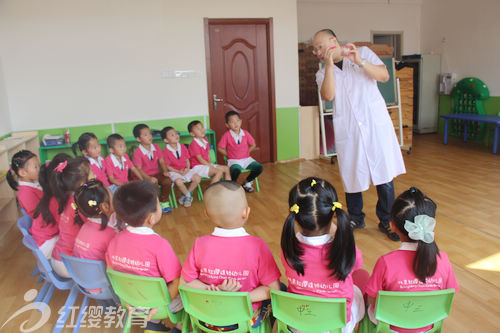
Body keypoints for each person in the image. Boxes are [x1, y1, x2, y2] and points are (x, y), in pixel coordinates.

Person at [312, 29, 406, 240]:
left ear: (333, 41)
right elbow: (328, 95)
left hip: (374, 125)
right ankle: (356, 217)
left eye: (319, 46)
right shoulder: (322, 72)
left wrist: (360, 61)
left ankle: (387, 220)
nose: (317, 51)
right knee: (352, 172)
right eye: (314, 49)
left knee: (383, 174)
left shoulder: (362, 52)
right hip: (349, 128)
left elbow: (384, 76)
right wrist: (328, 65)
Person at [181, 181, 281, 329]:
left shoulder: (200, 243)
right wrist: (235, 297)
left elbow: (184, 283)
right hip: (244, 321)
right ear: (246, 212)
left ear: (207, 214)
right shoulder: (258, 246)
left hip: (207, 318)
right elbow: (273, 290)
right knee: (281, 289)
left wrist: (217, 292)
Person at [365, 187, 460, 333]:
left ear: (392, 225)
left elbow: (373, 300)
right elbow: (449, 294)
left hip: (391, 327)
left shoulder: (386, 262)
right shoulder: (443, 259)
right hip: (428, 325)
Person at [280, 177, 366, 333]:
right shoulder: (345, 247)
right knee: (361, 283)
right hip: (337, 324)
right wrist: (335, 230)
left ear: (292, 213)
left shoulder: (288, 246)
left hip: (298, 323)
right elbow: (356, 264)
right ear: (334, 214)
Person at [106, 180, 183, 333]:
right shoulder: (160, 245)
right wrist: (160, 304)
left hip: (131, 301)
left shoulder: (115, 240)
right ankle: (179, 327)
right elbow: (176, 280)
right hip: (159, 306)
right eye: (158, 204)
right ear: (151, 218)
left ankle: (153, 325)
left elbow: (111, 271)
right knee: (188, 290)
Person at [50, 157, 93, 277]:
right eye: (92, 172)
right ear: (81, 183)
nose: (95, 175)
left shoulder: (65, 198)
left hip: (57, 258)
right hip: (70, 265)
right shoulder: (81, 203)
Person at [31, 153, 72, 258]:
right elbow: (68, 227)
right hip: (47, 246)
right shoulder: (58, 200)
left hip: (42, 242)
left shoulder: (52, 193)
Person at [217, 111, 263, 193]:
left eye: (237, 121)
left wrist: (246, 152)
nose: (236, 123)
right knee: (236, 170)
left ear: (241, 121)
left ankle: (246, 182)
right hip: (234, 160)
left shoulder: (245, 133)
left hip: (246, 159)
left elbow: (253, 144)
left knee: (259, 167)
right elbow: (220, 148)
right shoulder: (227, 135)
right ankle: (234, 185)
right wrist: (228, 155)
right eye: (232, 122)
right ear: (227, 125)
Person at [73, 180, 117, 261]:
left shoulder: (85, 226)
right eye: (112, 195)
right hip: (99, 273)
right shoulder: (112, 233)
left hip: (78, 272)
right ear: (105, 207)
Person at [132, 124, 172, 213]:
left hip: (156, 174)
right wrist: (148, 178)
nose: (149, 136)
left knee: (167, 181)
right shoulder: (137, 152)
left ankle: (163, 202)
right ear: (138, 139)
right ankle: (155, 205)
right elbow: (139, 169)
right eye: (145, 135)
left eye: (149, 133)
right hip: (144, 176)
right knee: (153, 184)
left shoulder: (156, 147)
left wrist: (165, 171)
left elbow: (161, 161)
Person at [161, 126, 201, 208]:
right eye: (172, 135)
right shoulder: (165, 151)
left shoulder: (182, 146)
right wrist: (178, 172)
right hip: (174, 171)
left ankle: (185, 195)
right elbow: (168, 166)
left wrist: (187, 168)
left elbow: (187, 160)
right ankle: (189, 196)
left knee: (197, 178)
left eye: (176, 133)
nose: (176, 135)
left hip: (185, 169)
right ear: (166, 140)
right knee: (179, 182)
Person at [7, 150, 42, 218]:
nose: (39, 169)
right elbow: (38, 215)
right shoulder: (25, 193)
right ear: (23, 173)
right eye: (35, 167)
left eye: (39, 165)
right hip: (44, 224)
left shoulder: (34, 183)